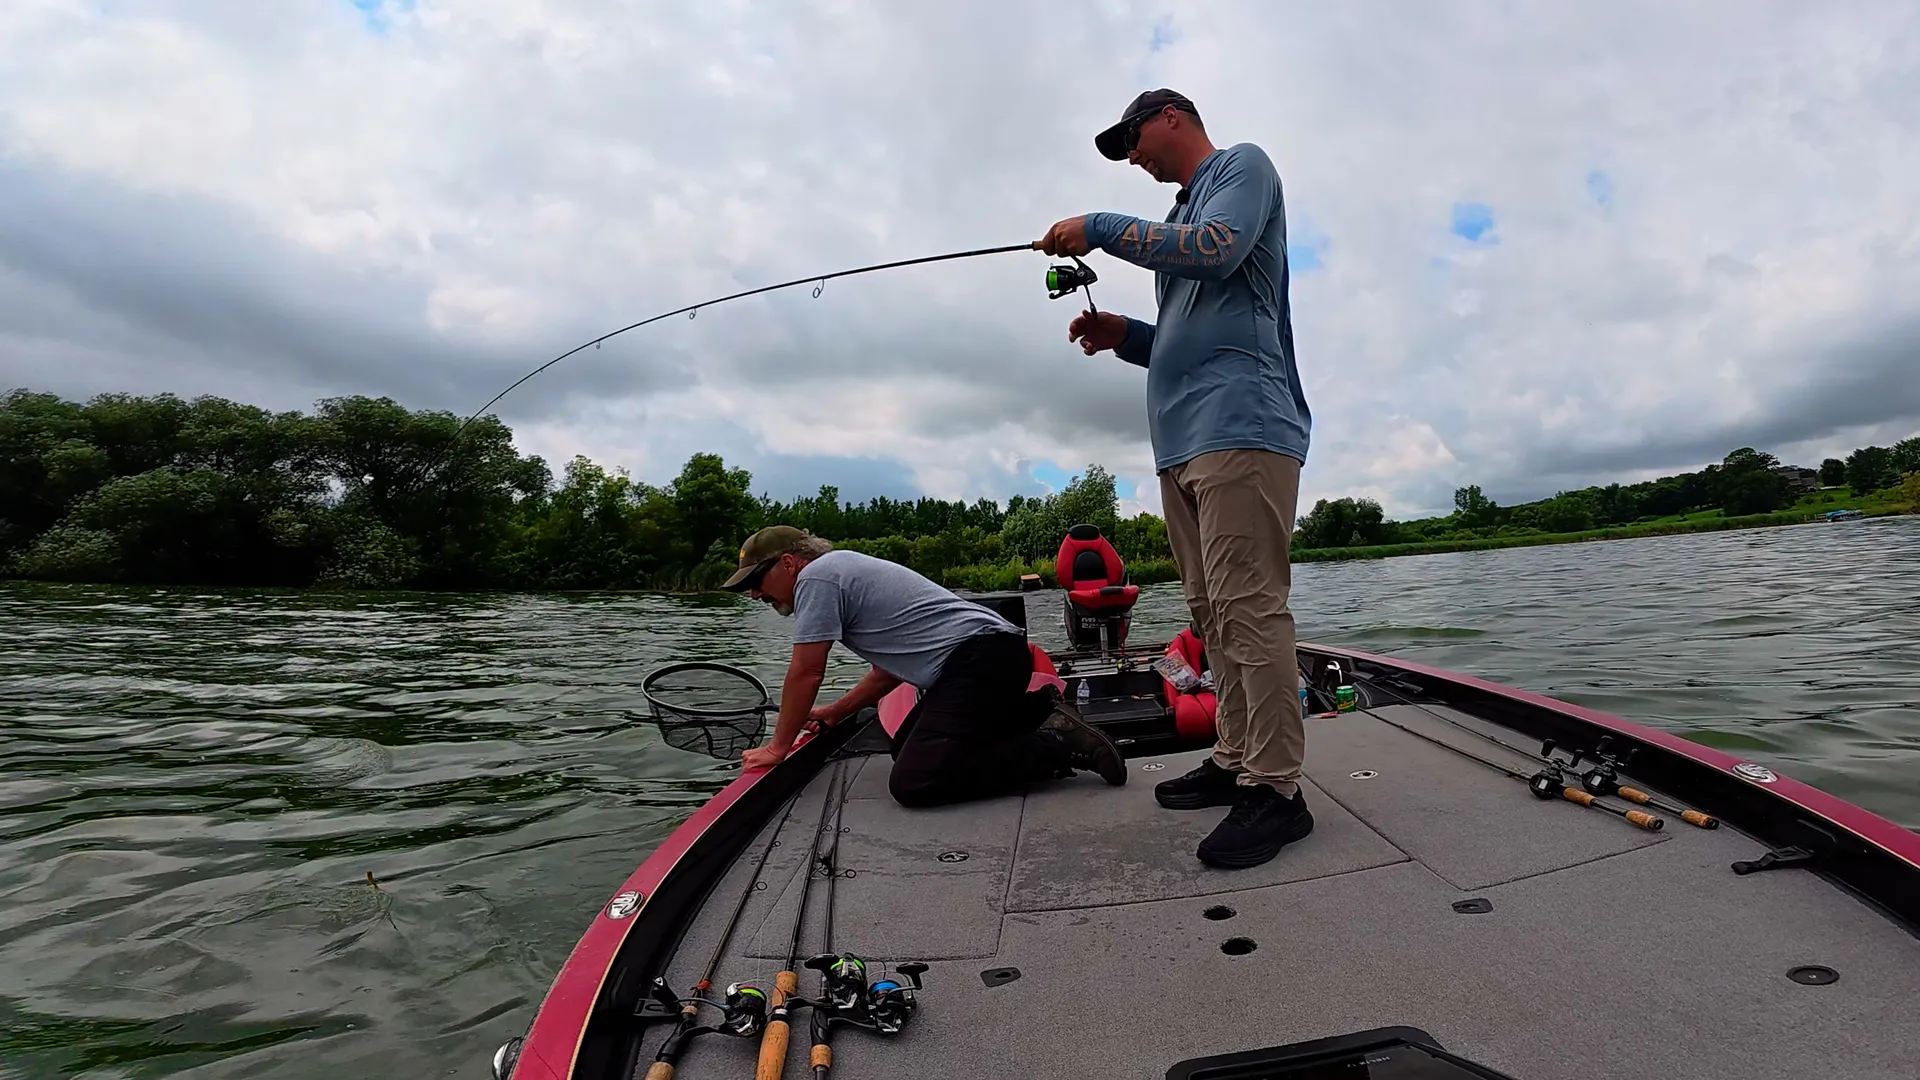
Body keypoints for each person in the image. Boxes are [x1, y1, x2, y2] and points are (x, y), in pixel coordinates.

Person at [1037, 88, 1313, 870]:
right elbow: (1188, 334)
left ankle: (1279, 791)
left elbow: (1219, 248)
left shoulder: (1240, 170)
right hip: (1183, 446)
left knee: (1251, 608)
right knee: (1210, 611)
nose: (1132, 157)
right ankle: (1235, 757)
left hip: (1243, 428)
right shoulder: (1181, 222)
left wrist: (1096, 227)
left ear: (1171, 117)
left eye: (1132, 139)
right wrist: (1126, 336)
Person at [724, 525, 1127, 807]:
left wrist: (778, 748)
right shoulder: (840, 571)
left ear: (790, 563)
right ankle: (1036, 714)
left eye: (757, 579)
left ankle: (1055, 744)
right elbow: (887, 672)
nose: (756, 592)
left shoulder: (817, 578)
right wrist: (835, 712)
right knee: (904, 748)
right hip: (993, 656)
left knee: (915, 782)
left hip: (980, 659)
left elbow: (806, 671)